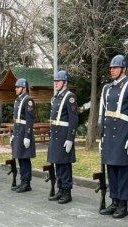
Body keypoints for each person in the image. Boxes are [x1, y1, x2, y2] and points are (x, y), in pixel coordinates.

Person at [98, 55, 128, 218]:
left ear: (123, 69)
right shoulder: (107, 88)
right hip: (109, 135)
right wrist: (101, 135)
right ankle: (114, 200)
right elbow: (103, 113)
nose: (112, 70)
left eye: (115, 67)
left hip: (123, 134)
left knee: (123, 170)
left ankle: (123, 204)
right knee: (111, 169)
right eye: (111, 68)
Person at [47, 70, 79, 204]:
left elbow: (73, 120)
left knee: (64, 165)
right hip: (55, 135)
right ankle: (60, 189)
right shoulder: (56, 97)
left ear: (65, 82)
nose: (56, 83)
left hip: (63, 136)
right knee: (57, 164)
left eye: (58, 81)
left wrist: (70, 139)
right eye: (55, 81)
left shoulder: (69, 97)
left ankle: (67, 192)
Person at [11, 78, 36, 193]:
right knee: (20, 157)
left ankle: (27, 182)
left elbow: (30, 120)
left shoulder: (28, 100)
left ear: (24, 88)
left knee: (25, 158)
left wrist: (27, 135)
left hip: (24, 132)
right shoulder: (18, 100)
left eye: (18, 87)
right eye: (15, 87)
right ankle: (22, 180)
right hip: (18, 131)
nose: (15, 89)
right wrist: (12, 133)